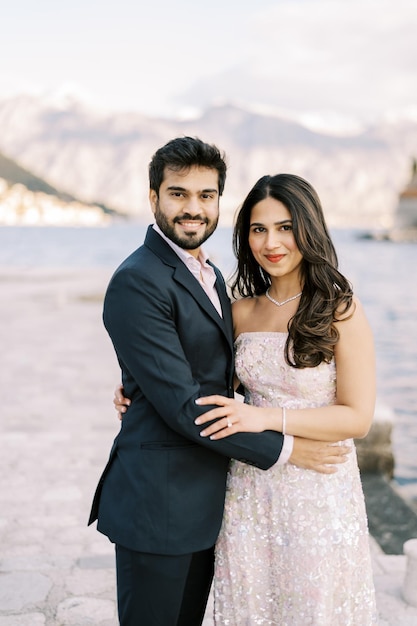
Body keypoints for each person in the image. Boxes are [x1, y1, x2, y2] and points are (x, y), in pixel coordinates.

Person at [89, 137, 350, 626]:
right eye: (178, 193)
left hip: (212, 499)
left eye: (206, 195)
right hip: (159, 503)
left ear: (218, 201)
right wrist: (288, 450)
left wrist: (136, 387)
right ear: (154, 197)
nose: (193, 208)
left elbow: (211, 367)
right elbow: (186, 404)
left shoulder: (210, 276)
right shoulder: (138, 277)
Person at [191, 173, 378, 624]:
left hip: (319, 493)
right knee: (250, 606)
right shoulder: (238, 312)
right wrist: (131, 390)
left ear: (308, 230)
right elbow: (198, 382)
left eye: (285, 227)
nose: (271, 242)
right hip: (250, 491)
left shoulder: (339, 309)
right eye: (258, 229)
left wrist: (262, 417)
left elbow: (357, 418)